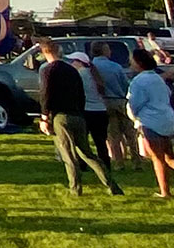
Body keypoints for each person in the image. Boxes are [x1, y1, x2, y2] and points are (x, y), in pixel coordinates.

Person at [37, 39, 119, 197]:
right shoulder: (72, 70)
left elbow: (46, 94)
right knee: (87, 153)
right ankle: (111, 184)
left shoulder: (49, 70)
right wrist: (80, 111)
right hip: (78, 115)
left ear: (45, 53)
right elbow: (81, 94)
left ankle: (75, 188)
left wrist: (44, 116)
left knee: (68, 155)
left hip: (61, 116)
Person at [124, 47, 173, 200]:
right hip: (168, 118)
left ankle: (164, 191)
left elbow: (134, 104)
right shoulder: (157, 78)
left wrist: (134, 118)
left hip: (151, 122)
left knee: (158, 158)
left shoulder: (138, 81)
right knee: (169, 157)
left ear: (138, 63)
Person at [90, 44, 137, 171]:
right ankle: (136, 161)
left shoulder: (91, 67)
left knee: (113, 135)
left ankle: (118, 162)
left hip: (103, 102)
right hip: (119, 100)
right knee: (130, 133)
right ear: (104, 51)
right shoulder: (115, 66)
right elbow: (124, 84)